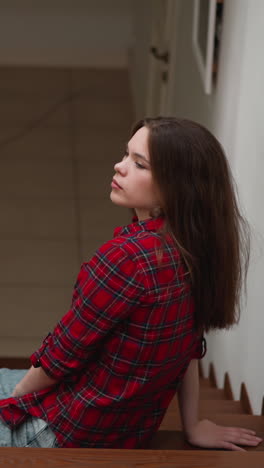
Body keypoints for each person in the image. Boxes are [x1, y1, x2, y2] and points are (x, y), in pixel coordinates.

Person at [0, 117, 262, 450]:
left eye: (139, 164)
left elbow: (60, 357)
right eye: (127, 155)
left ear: (176, 187)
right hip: (124, 431)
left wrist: (11, 405)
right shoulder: (195, 250)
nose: (119, 167)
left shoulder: (127, 259)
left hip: (57, 430)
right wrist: (192, 425)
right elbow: (190, 347)